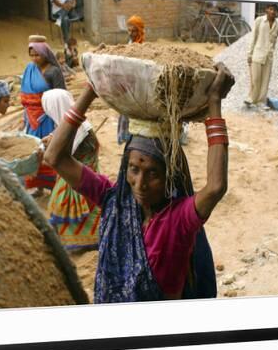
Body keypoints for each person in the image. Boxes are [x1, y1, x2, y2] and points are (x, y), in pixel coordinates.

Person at [44, 63, 234, 302]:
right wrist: (90, 91)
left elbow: (216, 186)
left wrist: (215, 101)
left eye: (152, 173)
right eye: (134, 169)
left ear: (169, 176)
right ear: (125, 168)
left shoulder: (178, 219)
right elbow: (55, 157)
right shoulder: (113, 200)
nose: (140, 183)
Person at [41, 89, 102, 250]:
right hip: (84, 170)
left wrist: (49, 146)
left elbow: (59, 155)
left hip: (79, 174)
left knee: (62, 203)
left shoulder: (77, 131)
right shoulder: (81, 126)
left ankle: (86, 240)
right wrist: (53, 137)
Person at [20, 36, 66, 195]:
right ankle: (38, 186)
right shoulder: (29, 69)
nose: (34, 58)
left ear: (45, 54)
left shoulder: (54, 71)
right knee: (34, 151)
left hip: (48, 118)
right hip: (32, 119)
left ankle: (55, 188)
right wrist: (25, 115)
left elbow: (61, 95)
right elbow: (24, 93)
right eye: (31, 55)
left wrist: (59, 120)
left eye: (37, 55)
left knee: (50, 151)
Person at [117, 15, 147, 145]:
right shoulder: (129, 43)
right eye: (129, 30)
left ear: (140, 30)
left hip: (137, 84)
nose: (130, 33)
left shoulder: (144, 47)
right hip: (127, 82)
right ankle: (126, 137)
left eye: (133, 31)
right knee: (125, 110)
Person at [245, 3, 278, 109]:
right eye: (270, 9)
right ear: (266, 10)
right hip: (257, 54)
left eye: (274, 10)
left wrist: (271, 53)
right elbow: (253, 38)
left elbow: (273, 43)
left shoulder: (277, 25)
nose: (272, 12)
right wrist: (249, 53)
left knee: (265, 80)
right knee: (255, 78)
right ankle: (251, 98)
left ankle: (261, 101)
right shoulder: (259, 21)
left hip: (268, 57)